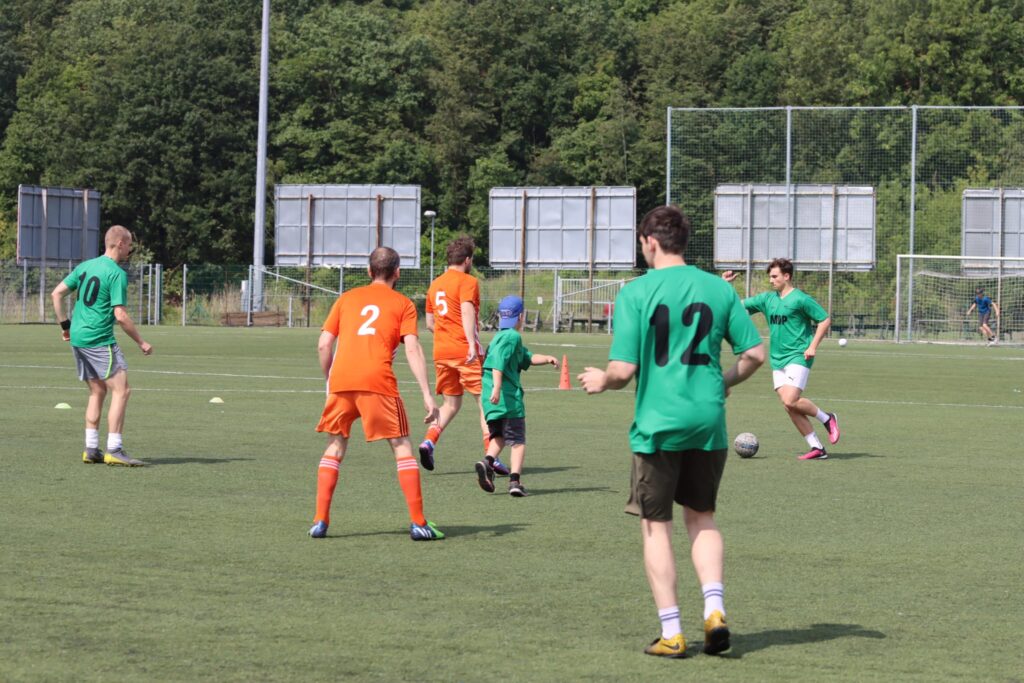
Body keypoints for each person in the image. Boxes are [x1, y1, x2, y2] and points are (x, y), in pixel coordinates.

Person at [579, 206, 765, 658]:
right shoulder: (718, 288)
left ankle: (672, 632)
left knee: (655, 525)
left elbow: (622, 370)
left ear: (650, 242)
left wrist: (602, 380)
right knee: (701, 517)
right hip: (708, 422)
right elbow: (755, 355)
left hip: (658, 426)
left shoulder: (636, 292)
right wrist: (720, 383)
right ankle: (715, 610)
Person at [309, 246, 443, 541]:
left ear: (369, 271)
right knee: (401, 446)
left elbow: (323, 344)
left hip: (341, 381)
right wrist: (427, 394)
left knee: (335, 446)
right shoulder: (403, 304)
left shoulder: (346, 298)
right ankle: (419, 523)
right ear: (397, 273)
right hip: (378, 381)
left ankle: (320, 520)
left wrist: (330, 379)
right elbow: (412, 349)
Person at [50, 225, 153, 466]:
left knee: (97, 391)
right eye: (129, 245)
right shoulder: (116, 273)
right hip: (98, 338)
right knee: (122, 390)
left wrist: (65, 326)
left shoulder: (85, 266)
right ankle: (114, 449)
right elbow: (120, 315)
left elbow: (56, 294)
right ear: (120, 244)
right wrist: (141, 341)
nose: (130, 250)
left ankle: (91, 448)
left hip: (78, 338)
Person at [723, 258, 840, 460]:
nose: (771, 280)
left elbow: (824, 319)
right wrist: (726, 286)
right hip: (777, 359)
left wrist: (812, 346)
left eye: (774, 276)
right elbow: (737, 307)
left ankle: (827, 418)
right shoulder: (767, 299)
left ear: (787, 276)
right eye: (770, 276)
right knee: (789, 405)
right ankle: (817, 448)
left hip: (799, 355)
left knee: (790, 399)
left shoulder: (800, 299)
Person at [417, 237, 511, 474]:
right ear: (467, 260)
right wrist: (469, 343)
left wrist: (446, 335)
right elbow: (467, 311)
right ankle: (491, 457)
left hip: (442, 351)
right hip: (465, 352)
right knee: (485, 404)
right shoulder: (468, 281)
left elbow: (429, 322)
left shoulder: (435, 284)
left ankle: (428, 442)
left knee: (450, 404)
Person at [475, 295, 558, 497]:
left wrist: (547, 358)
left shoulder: (499, 337)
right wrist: (497, 388)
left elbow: (527, 358)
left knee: (499, 437)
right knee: (518, 442)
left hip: (491, 402)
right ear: (520, 316)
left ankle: (487, 462)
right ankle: (515, 482)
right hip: (507, 400)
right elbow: (497, 362)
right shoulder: (513, 337)